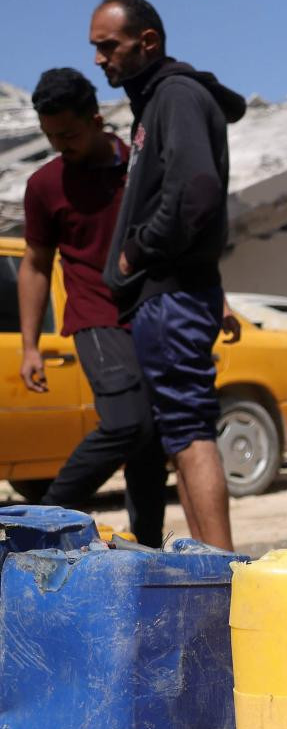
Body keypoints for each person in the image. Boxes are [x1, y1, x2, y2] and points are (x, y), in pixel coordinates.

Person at [91, 0, 246, 550]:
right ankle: (211, 570)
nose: (100, 58)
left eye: (109, 46)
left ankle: (222, 575)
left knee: (190, 431)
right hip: (169, 294)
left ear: (148, 41)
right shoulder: (157, 100)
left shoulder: (176, 95)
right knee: (182, 435)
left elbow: (196, 191)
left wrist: (137, 250)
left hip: (171, 294)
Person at [16, 69, 168, 546]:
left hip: (150, 315)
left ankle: (146, 550)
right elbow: (35, 265)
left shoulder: (138, 168)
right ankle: (35, 521)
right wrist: (29, 346)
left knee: (151, 441)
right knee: (127, 422)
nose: (59, 145)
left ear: (97, 120)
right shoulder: (44, 185)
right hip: (93, 318)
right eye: (50, 136)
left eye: (69, 134)